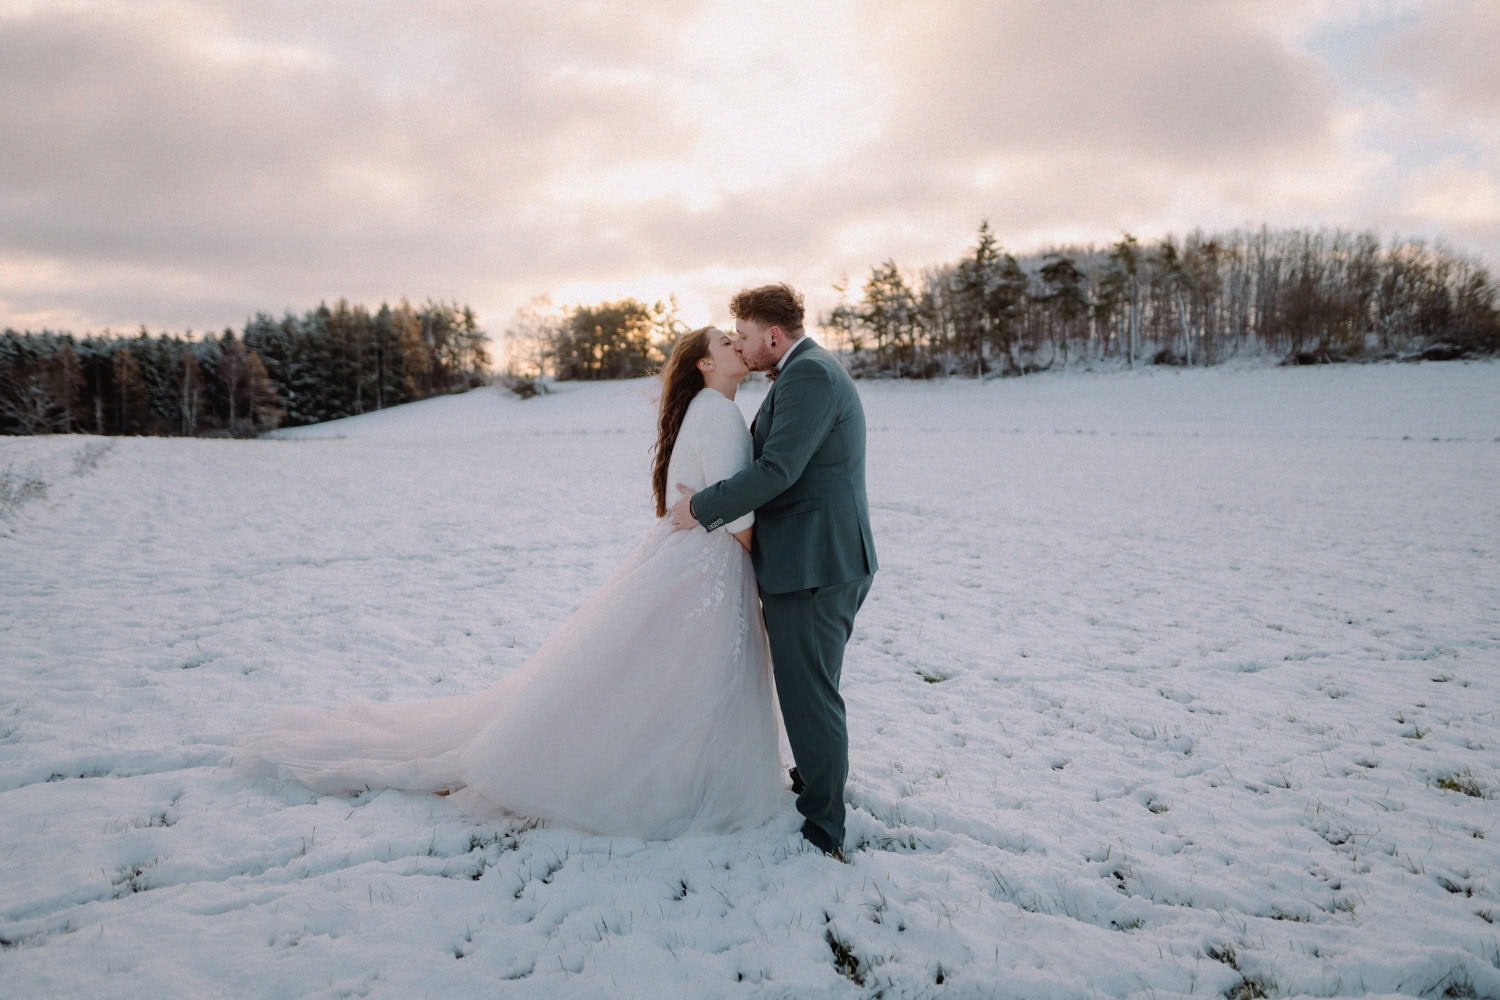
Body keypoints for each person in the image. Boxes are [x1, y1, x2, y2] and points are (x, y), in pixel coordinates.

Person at [235, 327, 784, 840]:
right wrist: (764, 568)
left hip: (688, 559)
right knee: (696, 676)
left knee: (665, 677)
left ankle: (669, 770)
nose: (739, 343)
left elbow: (696, 499)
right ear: (706, 363)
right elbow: (738, 515)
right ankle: (677, 781)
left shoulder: (705, 409)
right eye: (726, 339)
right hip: (708, 565)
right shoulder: (718, 414)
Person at [669, 283, 876, 859]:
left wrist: (700, 508)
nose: (741, 343)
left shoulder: (809, 375)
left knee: (810, 697)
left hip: (813, 562)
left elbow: (779, 468)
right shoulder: (805, 371)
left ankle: (823, 828)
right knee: (812, 691)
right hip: (816, 556)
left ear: (773, 336)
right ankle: (816, 788)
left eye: (745, 335)